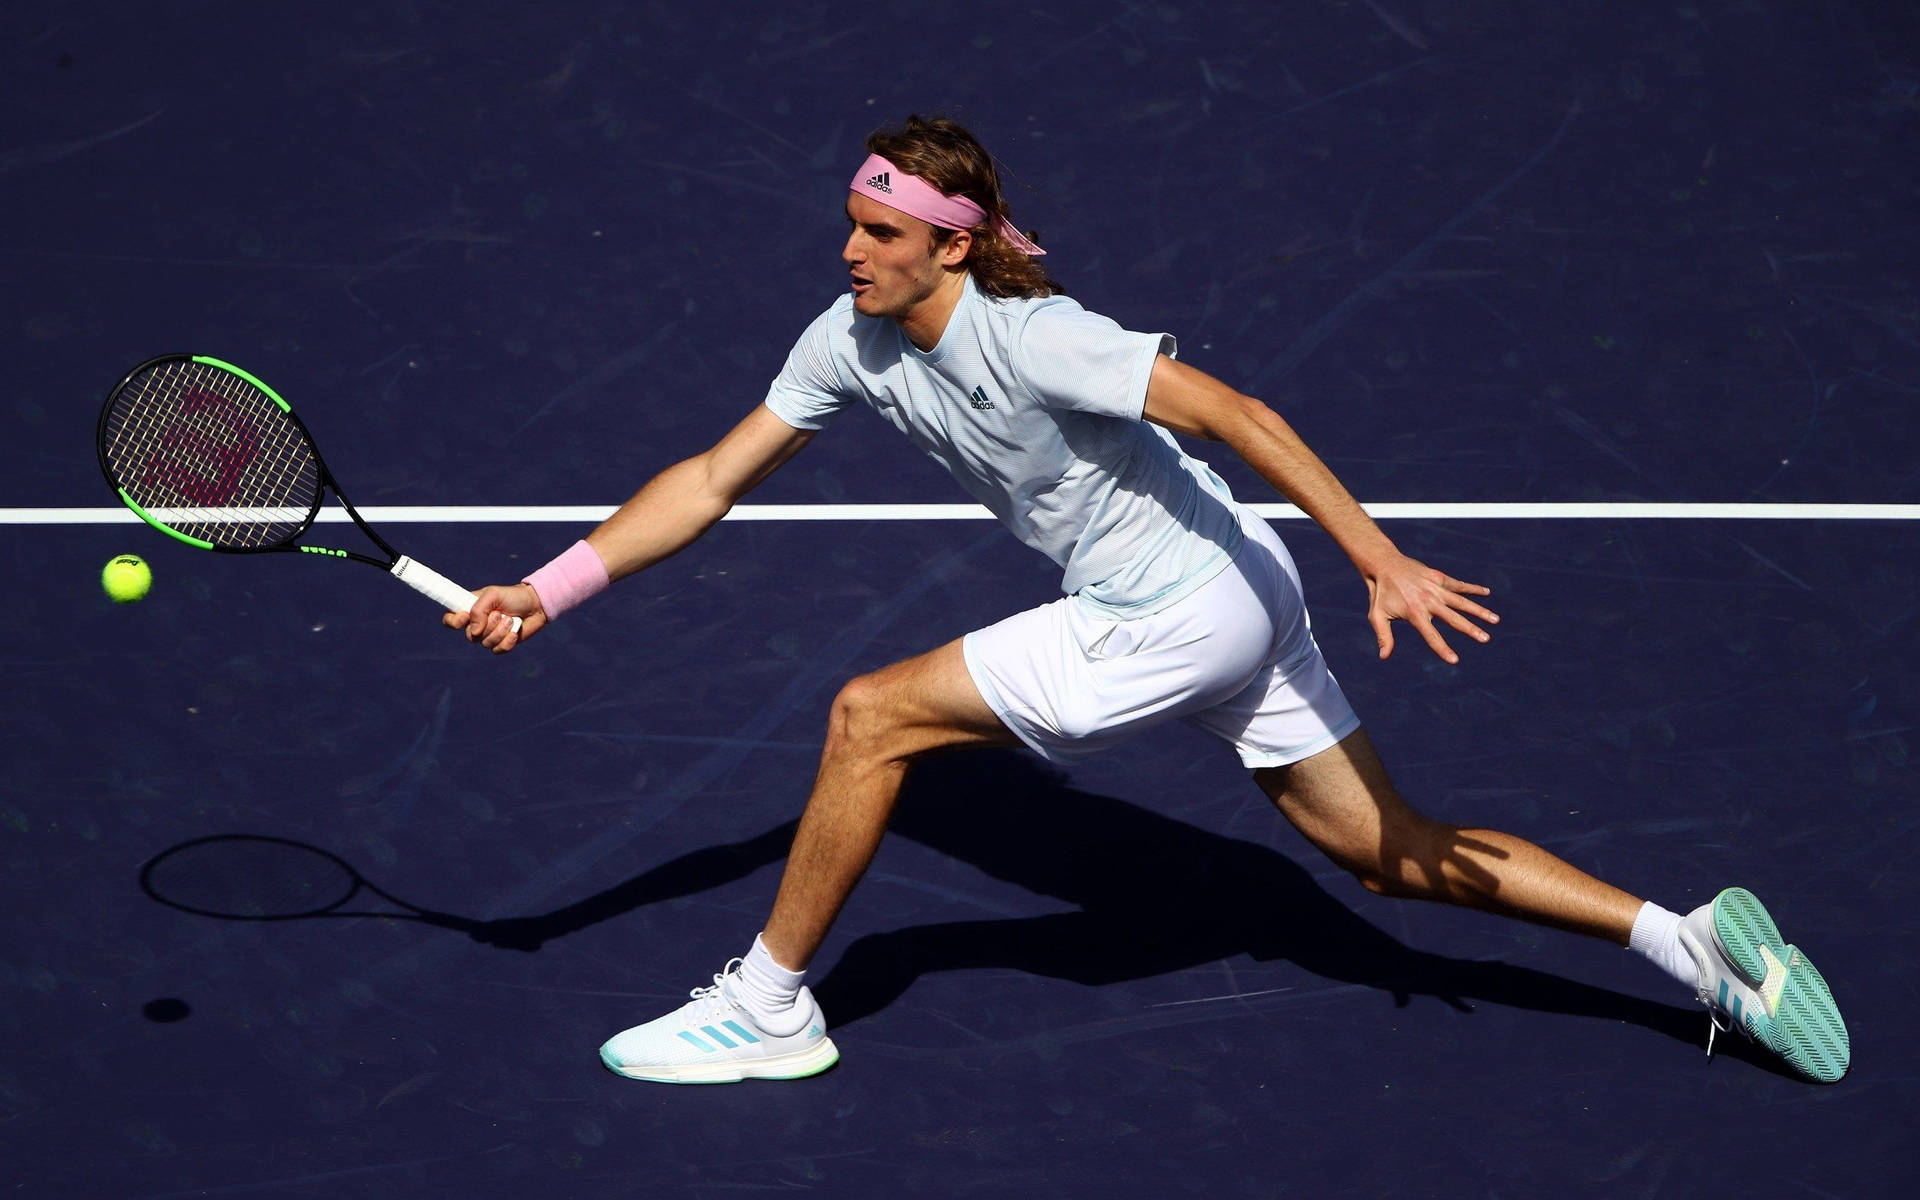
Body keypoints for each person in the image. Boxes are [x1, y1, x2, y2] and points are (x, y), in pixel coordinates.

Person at [446, 115, 1849, 1086]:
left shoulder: (1041, 337)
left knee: (869, 719)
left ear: (948, 245)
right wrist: (551, 590)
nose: (849, 251)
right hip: (1239, 587)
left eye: (877, 234)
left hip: (1178, 607)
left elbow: (1237, 409)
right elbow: (709, 476)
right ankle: (1698, 951)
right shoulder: (849, 339)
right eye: (849, 225)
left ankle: (765, 1009)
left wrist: (1380, 555)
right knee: (1383, 849)